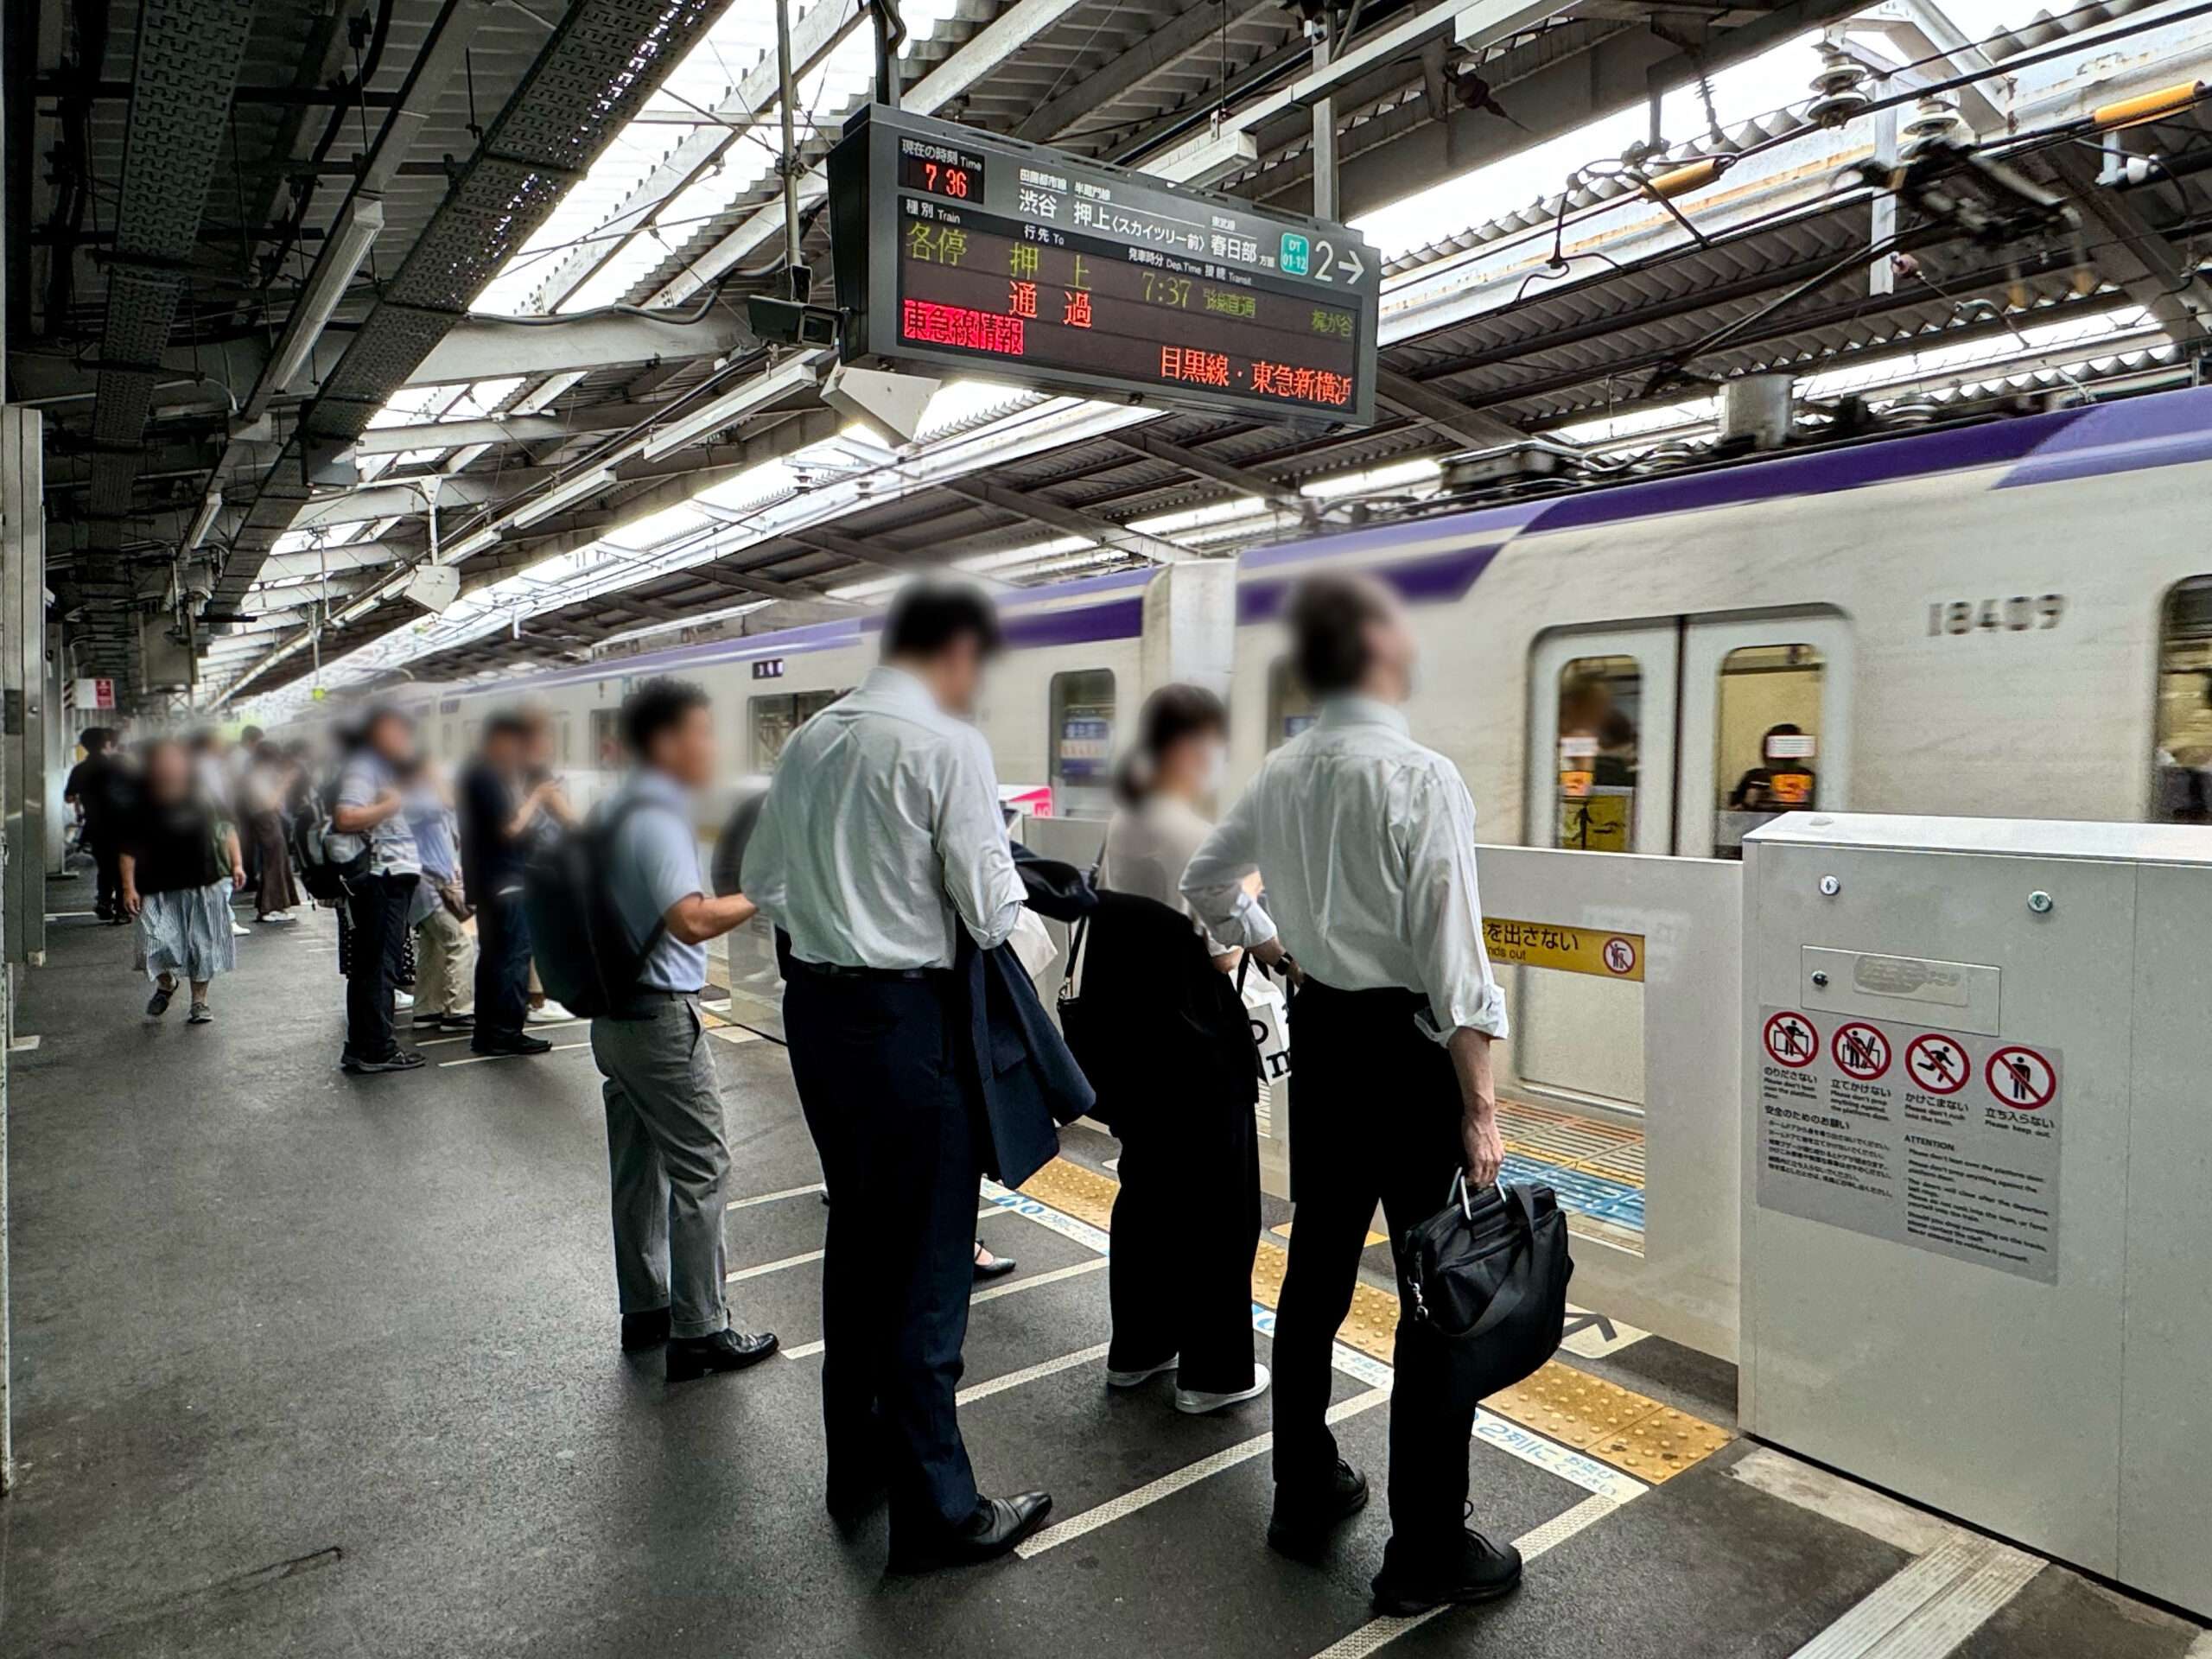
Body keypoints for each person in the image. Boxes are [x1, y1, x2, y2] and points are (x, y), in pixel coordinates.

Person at [1181, 571, 1516, 1617]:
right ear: (1377, 656)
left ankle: (1300, 1492)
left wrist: (1269, 944)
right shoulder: (1421, 778)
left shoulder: (1282, 773)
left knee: (1316, 1273)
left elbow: (1204, 883)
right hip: (1410, 1059)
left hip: (1324, 1050)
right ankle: (1423, 1550)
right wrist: (1482, 1107)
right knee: (1433, 1303)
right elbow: (1456, 969)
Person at [745, 582, 1054, 1573]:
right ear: (953, 652)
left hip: (825, 1021)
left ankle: (860, 1466)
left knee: (861, 1245)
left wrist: (844, 914)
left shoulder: (811, 740)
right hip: (910, 1023)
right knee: (926, 1267)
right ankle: (940, 1515)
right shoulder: (945, 744)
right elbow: (990, 905)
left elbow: (761, 883)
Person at [590, 678, 778, 1382]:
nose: (713, 747)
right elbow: (690, 919)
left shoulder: (613, 806)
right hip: (660, 1021)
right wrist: (763, 893)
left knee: (637, 1170)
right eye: (703, 732)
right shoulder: (657, 815)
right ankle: (700, 1330)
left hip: (614, 1017)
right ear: (667, 742)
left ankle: (646, 1308)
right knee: (703, 1168)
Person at [1090, 684, 1268, 1414]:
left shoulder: (1122, 822)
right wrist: (1253, 887)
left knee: (1149, 1197)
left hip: (1133, 1051)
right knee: (1222, 1209)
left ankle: (1139, 1349)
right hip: (1195, 1052)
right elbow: (1224, 947)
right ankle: (1213, 1375)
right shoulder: (1187, 831)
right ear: (1191, 746)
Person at [331, 709, 428, 1074]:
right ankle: (376, 1049)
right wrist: (392, 804)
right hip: (380, 877)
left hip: (385, 877)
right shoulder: (367, 767)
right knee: (378, 967)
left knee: (371, 965)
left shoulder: (378, 766)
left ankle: (363, 1046)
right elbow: (346, 817)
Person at [120, 738, 244, 1026]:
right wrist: (128, 887)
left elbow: (226, 830)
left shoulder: (203, 795)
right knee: (152, 944)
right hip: (155, 886)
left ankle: (199, 1002)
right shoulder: (139, 799)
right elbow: (128, 847)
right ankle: (166, 984)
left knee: (203, 945)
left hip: (202, 884)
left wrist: (236, 863)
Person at [459, 714, 557, 1058]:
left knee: (495, 956)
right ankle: (504, 1032)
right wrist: (537, 797)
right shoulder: (486, 776)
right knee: (512, 956)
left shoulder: (478, 773)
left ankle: (489, 1031)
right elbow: (510, 828)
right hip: (504, 880)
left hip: (491, 880)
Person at [403, 758, 476, 1033]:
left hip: (428, 887)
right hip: (432, 886)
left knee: (433, 947)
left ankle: (426, 1009)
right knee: (460, 941)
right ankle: (458, 1010)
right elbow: (448, 802)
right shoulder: (418, 802)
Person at [519, 709, 579, 1027]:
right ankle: (539, 1001)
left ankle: (537, 998)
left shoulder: (520, 771)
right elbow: (568, 819)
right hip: (544, 862)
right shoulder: (540, 775)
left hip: (530, 860)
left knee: (533, 929)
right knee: (541, 930)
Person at [65, 727, 134, 923]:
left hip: (95, 825)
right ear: (107, 743)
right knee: (122, 865)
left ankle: (104, 901)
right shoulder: (119, 765)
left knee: (105, 865)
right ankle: (122, 910)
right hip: (121, 823)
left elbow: (69, 798)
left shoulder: (80, 769)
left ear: (85, 746)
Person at [243, 738, 302, 924]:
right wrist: (285, 783)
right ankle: (269, 908)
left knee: (277, 861)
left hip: (268, 820)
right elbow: (268, 803)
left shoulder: (258, 773)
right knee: (273, 863)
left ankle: (275, 905)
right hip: (265, 821)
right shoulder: (257, 775)